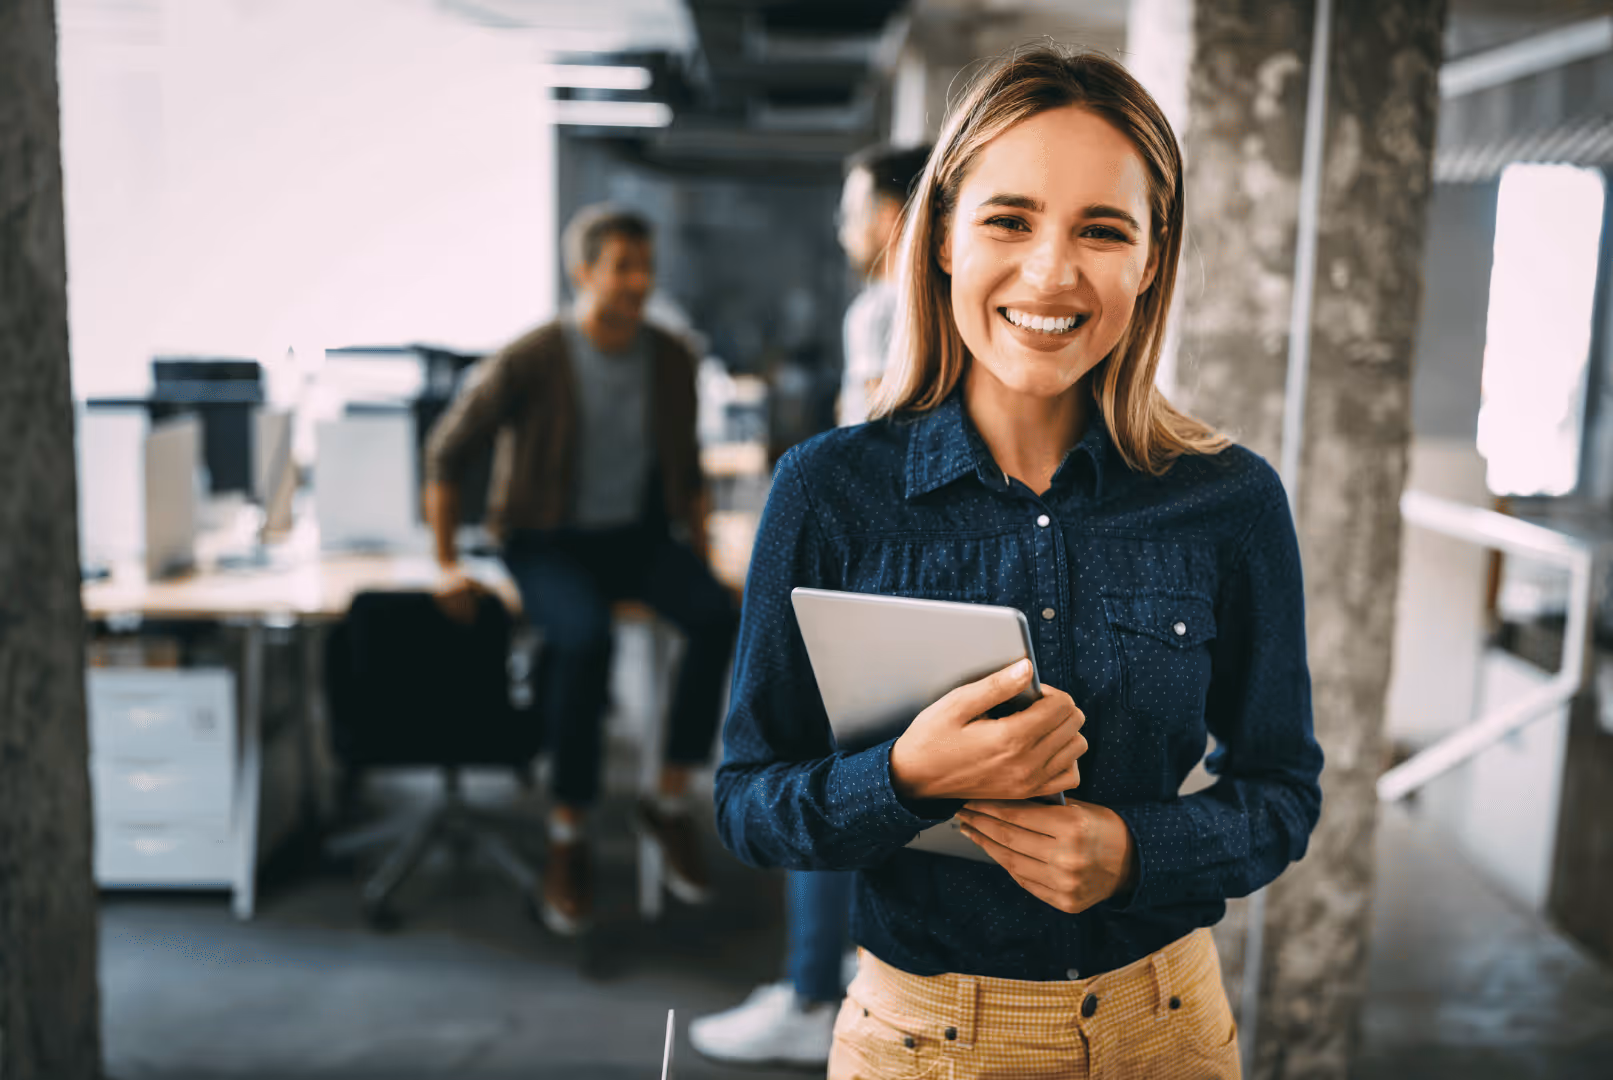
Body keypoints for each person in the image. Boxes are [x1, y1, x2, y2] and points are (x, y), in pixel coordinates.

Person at [713, 45, 1323, 1080]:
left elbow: (1280, 790)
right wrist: (902, 778)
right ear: (943, 235)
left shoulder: (1228, 499)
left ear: (1149, 259)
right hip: (920, 1038)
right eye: (1009, 219)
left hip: (1165, 1030)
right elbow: (747, 803)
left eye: (1101, 230)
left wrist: (1137, 852)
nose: (1050, 272)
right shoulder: (826, 491)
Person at [425, 203, 739, 937]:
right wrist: (444, 562)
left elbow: (687, 470)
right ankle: (568, 834)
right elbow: (447, 452)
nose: (638, 281)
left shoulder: (669, 357)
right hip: (544, 540)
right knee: (583, 639)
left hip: (635, 537)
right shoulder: (533, 355)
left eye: (645, 267)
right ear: (583, 273)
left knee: (718, 615)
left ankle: (665, 801)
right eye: (623, 267)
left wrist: (700, 553)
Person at [689, 142, 932, 1069]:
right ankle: (830, 982)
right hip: (888, 567)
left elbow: (867, 450)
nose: (842, 227)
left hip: (869, 572)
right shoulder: (924, 306)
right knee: (878, 784)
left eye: (852, 206)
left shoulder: (885, 308)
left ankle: (812, 993)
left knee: (816, 772)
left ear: (891, 215)